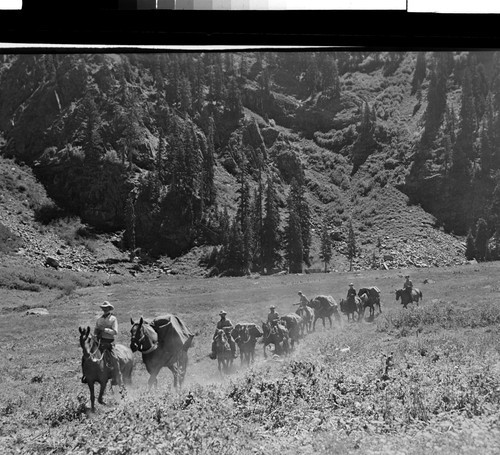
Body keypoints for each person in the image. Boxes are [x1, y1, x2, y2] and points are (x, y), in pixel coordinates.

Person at [82, 301, 121, 385]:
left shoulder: (113, 319)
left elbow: (115, 332)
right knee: (86, 356)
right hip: (99, 342)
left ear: (109, 309)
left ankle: (117, 376)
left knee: (114, 358)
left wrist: (104, 329)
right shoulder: (99, 319)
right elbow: (96, 329)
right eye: (104, 308)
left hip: (109, 342)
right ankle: (85, 375)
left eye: (106, 308)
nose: (105, 309)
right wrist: (95, 334)